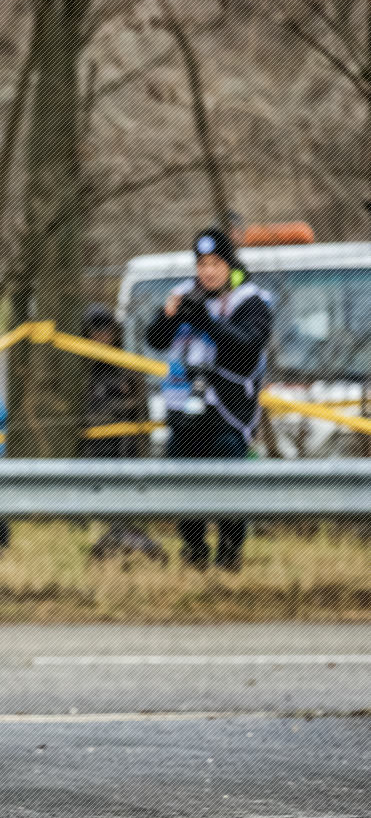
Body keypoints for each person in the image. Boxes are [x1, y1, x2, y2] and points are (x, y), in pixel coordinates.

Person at [146, 228, 273, 571]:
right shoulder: (185, 295)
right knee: (185, 487)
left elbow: (248, 346)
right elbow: (154, 339)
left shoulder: (251, 301)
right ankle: (194, 552)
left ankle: (229, 555)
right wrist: (169, 316)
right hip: (184, 411)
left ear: (229, 265)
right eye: (202, 264)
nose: (208, 272)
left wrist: (208, 322)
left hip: (228, 413)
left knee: (228, 487)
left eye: (216, 263)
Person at [78, 305, 166, 562]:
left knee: (124, 503)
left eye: (106, 330)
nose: (101, 337)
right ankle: (108, 543)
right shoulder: (81, 370)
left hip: (124, 447)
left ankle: (129, 542)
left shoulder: (127, 367)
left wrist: (140, 449)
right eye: (95, 331)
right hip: (93, 450)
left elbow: (141, 414)